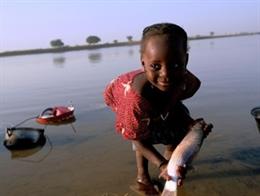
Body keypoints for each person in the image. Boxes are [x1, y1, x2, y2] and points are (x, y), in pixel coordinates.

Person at [104, 22, 212, 195]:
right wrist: (161, 164)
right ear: (143, 63)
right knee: (141, 132)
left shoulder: (183, 80)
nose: (166, 75)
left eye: (176, 65)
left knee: (176, 126)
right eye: (155, 66)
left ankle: (171, 157)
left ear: (186, 60)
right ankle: (143, 176)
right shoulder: (133, 100)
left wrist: (191, 125)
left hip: (155, 99)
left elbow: (175, 104)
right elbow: (136, 138)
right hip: (123, 98)